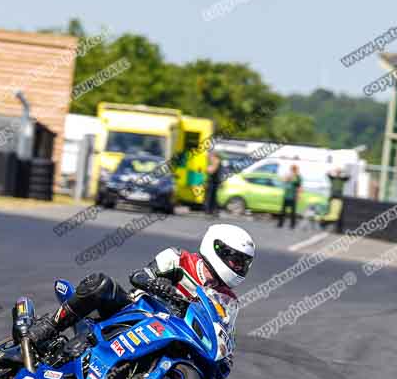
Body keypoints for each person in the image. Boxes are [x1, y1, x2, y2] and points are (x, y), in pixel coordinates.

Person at [26, 224, 255, 359]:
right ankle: (48, 328)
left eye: (243, 263)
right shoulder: (179, 258)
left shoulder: (227, 298)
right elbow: (140, 275)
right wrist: (161, 287)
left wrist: (225, 355)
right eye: (235, 260)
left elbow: (223, 330)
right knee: (101, 283)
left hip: (172, 334)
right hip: (135, 310)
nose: (238, 267)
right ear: (217, 248)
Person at [277, 164, 301, 229]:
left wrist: (298, 195)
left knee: (292, 212)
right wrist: (288, 176)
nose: (293, 170)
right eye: (292, 169)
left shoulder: (298, 177)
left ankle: (292, 225)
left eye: (294, 169)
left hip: (293, 196)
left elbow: (299, 187)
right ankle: (280, 224)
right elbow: (283, 180)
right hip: (287, 196)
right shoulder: (289, 175)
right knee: (283, 211)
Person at [204, 150, 222, 216]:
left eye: (210, 156)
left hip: (213, 182)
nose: (209, 157)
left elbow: (211, 171)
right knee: (213, 197)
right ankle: (213, 210)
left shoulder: (216, 161)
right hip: (214, 181)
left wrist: (206, 169)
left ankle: (209, 210)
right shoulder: (216, 161)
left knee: (210, 196)